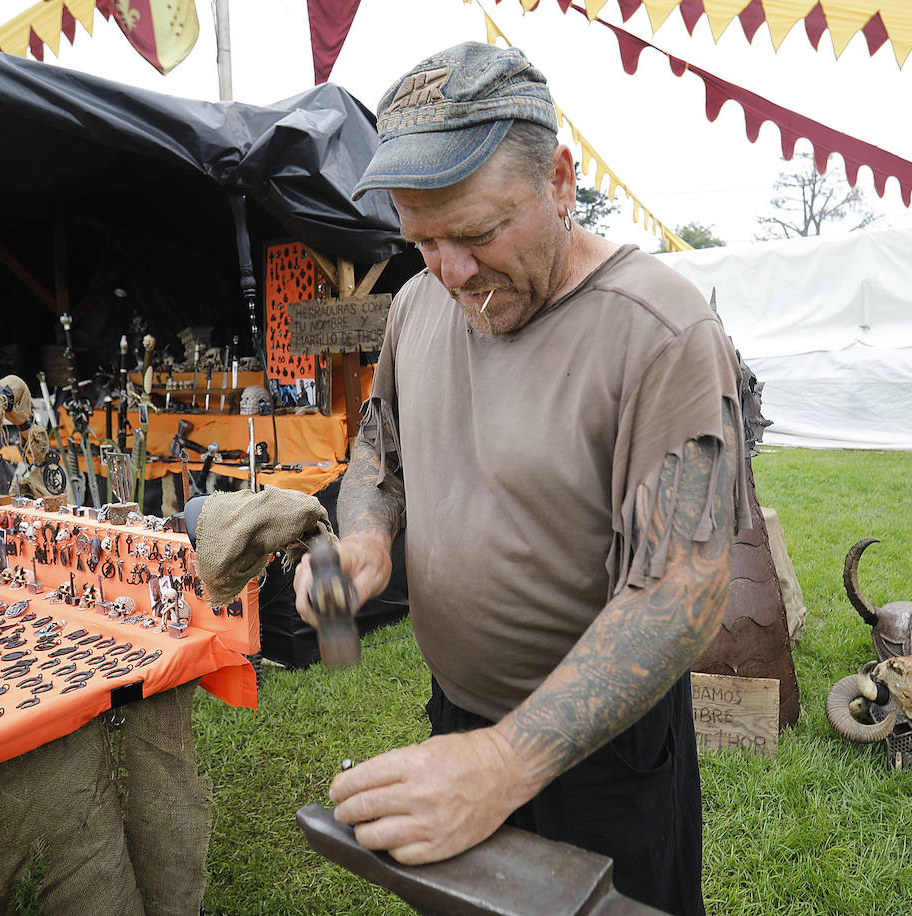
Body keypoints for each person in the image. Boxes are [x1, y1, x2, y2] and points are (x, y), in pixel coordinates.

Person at [294, 41, 750, 915]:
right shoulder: (420, 301)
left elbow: (682, 592)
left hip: (601, 752)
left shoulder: (661, 331)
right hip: (458, 719)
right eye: (420, 238)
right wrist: (365, 535)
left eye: (475, 232)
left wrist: (507, 762)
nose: (450, 271)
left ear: (560, 181)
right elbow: (377, 450)